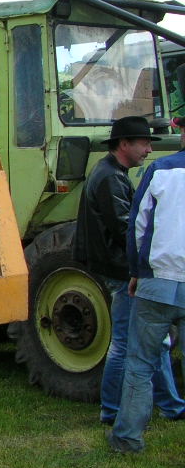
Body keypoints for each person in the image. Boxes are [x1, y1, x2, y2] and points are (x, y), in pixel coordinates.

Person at [74, 115, 185, 424]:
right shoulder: (111, 177)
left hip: (120, 268)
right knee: (125, 342)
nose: (149, 149)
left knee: (155, 339)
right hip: (122, 271)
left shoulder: (113, 173)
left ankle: (171, 404)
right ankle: (111, 410)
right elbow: (126, 227)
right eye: (145, 143)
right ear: (124, 144)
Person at [109, 117, 185, 452]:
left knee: (139, 365)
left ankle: (127, 438)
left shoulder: (160, 171)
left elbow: (138, 228)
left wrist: (138, 272)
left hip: (157, 282)